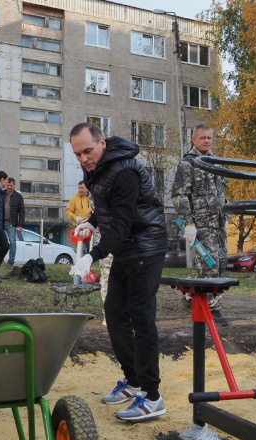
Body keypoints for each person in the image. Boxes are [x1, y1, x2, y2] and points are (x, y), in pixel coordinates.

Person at [68, 122, 168, 422]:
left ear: (103, 143)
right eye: (78, 154)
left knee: (141, 317)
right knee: (113, 311)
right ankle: (134, 381)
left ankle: (152, 396)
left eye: (88, 151)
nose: (84, 158)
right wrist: (91, 221)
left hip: (145, 246)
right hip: (126, 247)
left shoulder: (125, 172)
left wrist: (92, 256)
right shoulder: (98, 168)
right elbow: (107, 206)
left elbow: (123, 222)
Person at [171, 125, 229, 323]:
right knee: (209, 265)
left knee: (222, 263)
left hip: (218, 224)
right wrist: (188, 223)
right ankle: (211, 309)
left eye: (209, 138)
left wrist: (225, 215)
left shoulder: (215, 162)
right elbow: (179, 195)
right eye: (203, 138)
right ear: (194, 139)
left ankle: (191, 297)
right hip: (201, 225)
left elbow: (221, 193)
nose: (207, 141)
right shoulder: (188, 164)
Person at [4, 177, 25, 269]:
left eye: (11, 185)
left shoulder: (18, 196)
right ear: (6, 185)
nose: (9, 187)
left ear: (14, 185)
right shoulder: (2, 194)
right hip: (0, 222)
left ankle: (11, 262)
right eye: (8, 185)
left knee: (12, 242)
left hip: (11, 223)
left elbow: (22, 211)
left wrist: (20, 225)